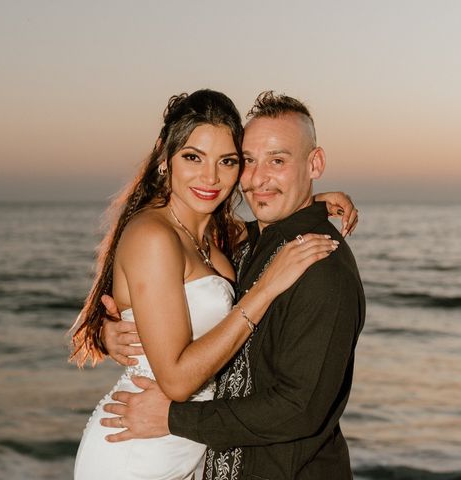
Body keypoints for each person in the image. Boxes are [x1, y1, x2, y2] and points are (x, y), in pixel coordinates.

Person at [71, 89, 358, 480]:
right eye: (193, 157)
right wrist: (263, 290)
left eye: (227, 161)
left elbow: (300, 406)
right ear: (164, 156)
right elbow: (174, 376)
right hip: (139, 443)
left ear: (313, 163)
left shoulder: (230, 239)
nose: (211, 177)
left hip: (184, 441)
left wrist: (313, 202)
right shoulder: (161, 238)